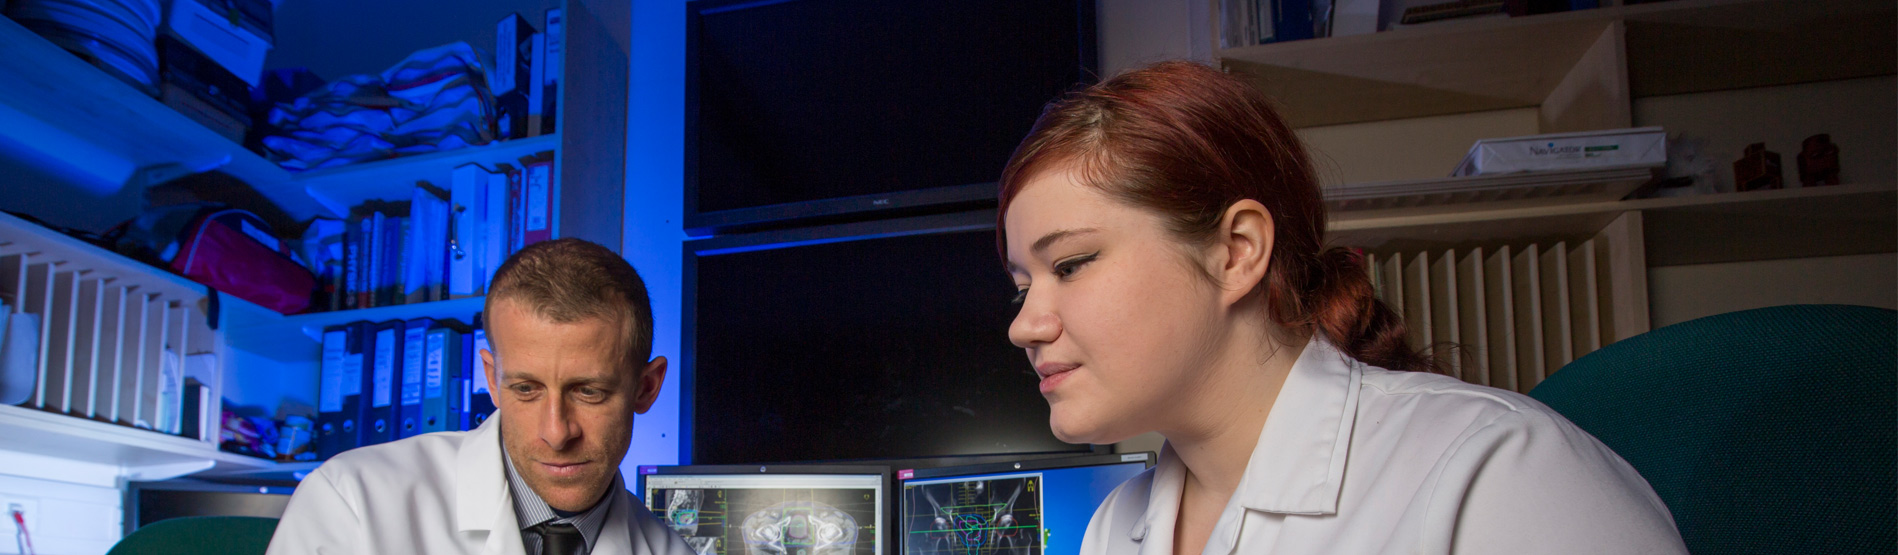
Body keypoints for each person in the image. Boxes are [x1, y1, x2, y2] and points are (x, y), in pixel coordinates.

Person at [997, 61, 1688, 554]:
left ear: (1236, 251)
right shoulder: (1114, 527)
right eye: (1023, 285)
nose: (1024, 325)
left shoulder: (1498, 474)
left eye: (1071, 264)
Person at [268, 238, 691, 554]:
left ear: (646, 387)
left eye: (589, 392)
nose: (557, 433)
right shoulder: (351, 503)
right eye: (526, 389)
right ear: (492, 378)